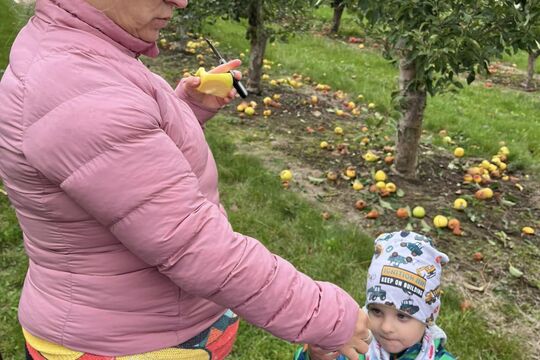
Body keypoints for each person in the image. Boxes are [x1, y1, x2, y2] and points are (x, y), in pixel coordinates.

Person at [0, 0, 372, 359]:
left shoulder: (80, 57)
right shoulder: (78, 89)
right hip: (131, 343)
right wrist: (327, 315)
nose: (180, 2)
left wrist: (184, 111)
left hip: (132, 325)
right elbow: (195, 246)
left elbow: (119, 170)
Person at [294, 231, 456, 360]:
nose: (386, 327)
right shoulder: (354, 345)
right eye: (377, 311)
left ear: (428, 317)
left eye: (402, 315)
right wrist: (316, 356)